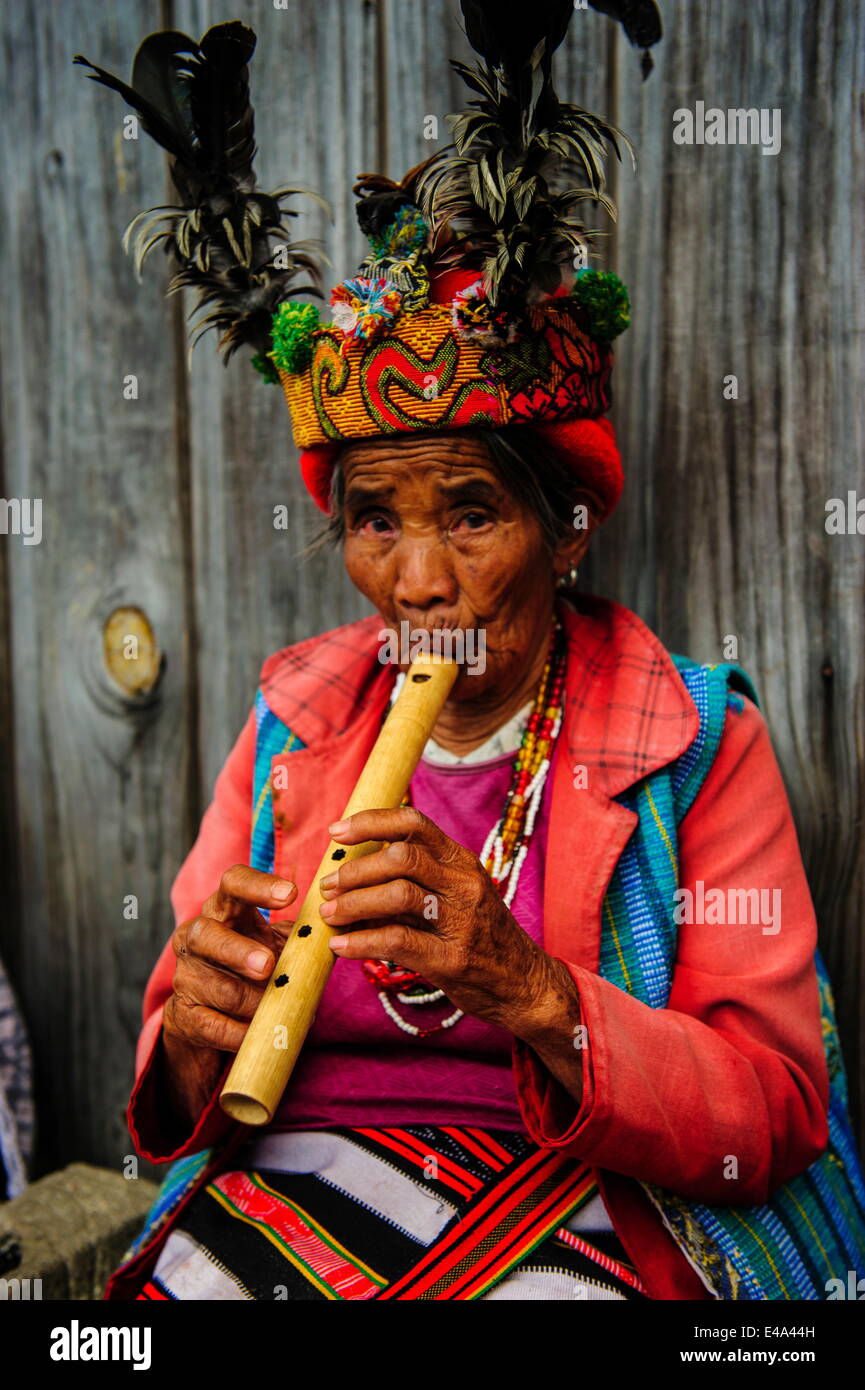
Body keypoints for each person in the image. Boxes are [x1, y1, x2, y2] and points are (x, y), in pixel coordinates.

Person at [80, 4, 865, 1301]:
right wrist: (186, 1045)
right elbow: (169, 1094)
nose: (417, 578)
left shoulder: (695, 740)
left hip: (589, 1204)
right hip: (296, 1185)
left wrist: (526, 983)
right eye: (374, 521)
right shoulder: (294, 721)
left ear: (563, 531)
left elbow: (773, 1108)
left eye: (471, 512)